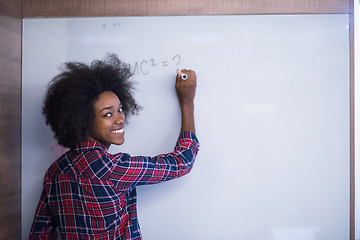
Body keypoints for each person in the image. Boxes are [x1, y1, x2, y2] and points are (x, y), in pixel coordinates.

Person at [29, 53, 199, 240]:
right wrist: (187, 102)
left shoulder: (55, 172)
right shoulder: (113, 169)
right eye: (107, 115)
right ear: (82, 119)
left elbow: (40, 234)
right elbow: (182, 162)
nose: (120, 118)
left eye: (119, 109)